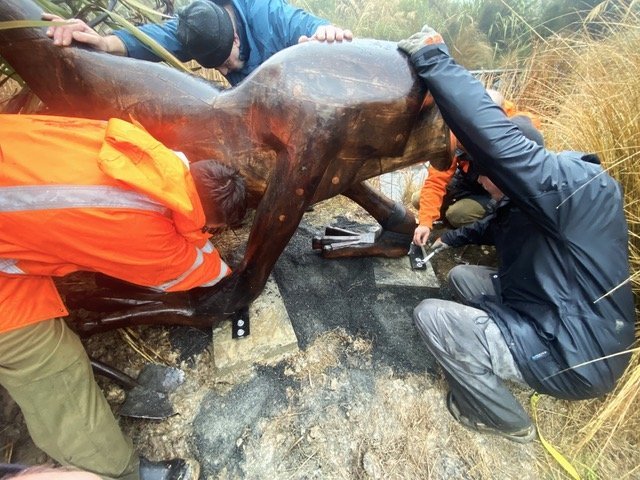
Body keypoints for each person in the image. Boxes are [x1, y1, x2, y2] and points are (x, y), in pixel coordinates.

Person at [398, 27, 635, 442]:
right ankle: (501, 336)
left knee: (431, 316)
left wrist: (434, 61)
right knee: (460, 277)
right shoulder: (528, 201)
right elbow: (487, 224)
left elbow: (499, 144)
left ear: (506, 169)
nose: (483, 185)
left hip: (577, 352)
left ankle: (507, 420)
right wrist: (441, 239)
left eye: (487, 176)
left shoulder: (574, 188)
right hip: (551, 304)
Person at [0, 114, 247, 479]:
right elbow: (189, 271)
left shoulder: (135, 144)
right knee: (50, 361)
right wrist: (228, 269)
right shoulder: (141, 228)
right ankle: (116, 471)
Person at [43, 0, 353, 86]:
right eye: (217, 66)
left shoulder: (268, 13)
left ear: (235, 36)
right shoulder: (193, 28)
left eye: (228, 61)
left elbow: (308, 26)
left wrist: (326, 31)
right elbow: (147, 40)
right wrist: (101, 42)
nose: (227, 68)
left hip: (298, 97)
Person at [412, 97, 544, 247]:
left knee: (457, 215)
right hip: (468, 180)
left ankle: (479, 226)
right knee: (419, 199)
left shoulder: (521, 131)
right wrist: (425, 222)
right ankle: (447, 219)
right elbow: (436, 181)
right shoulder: (457, 133)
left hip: (496, 192)